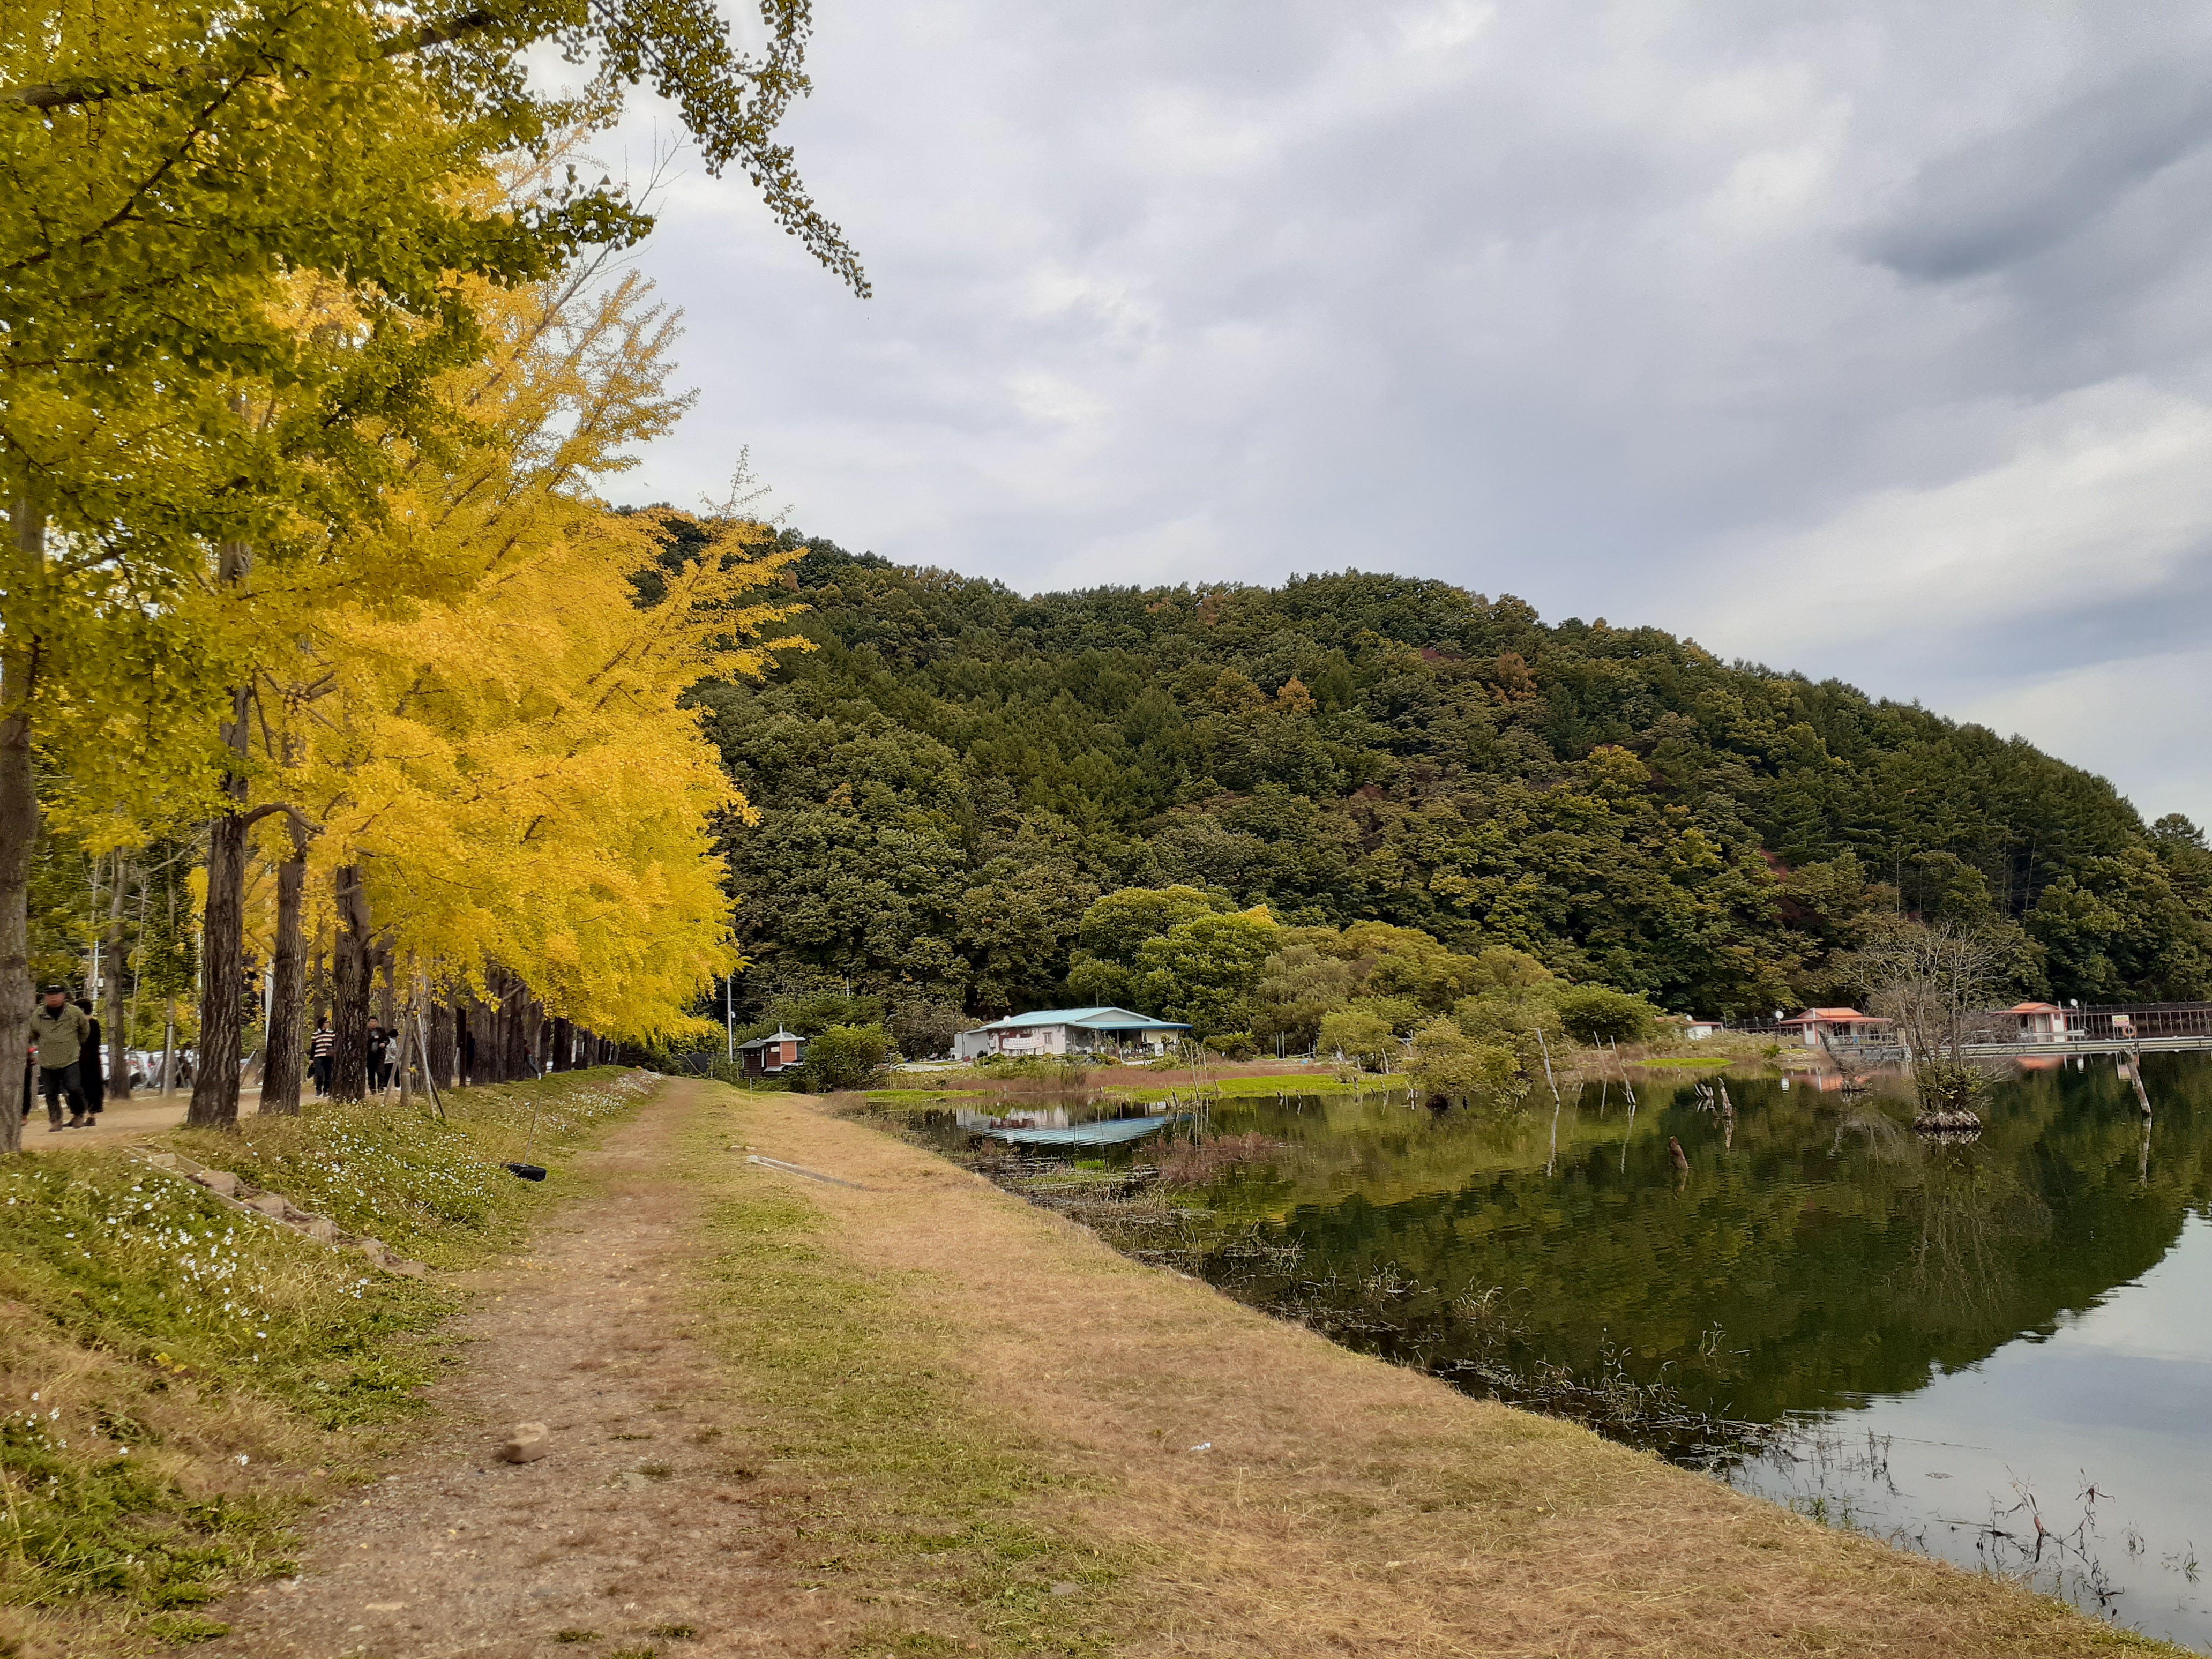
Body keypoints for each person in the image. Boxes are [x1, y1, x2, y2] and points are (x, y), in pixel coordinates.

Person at [30, 987, 91, 1131]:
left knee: (74, 1089)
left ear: (63, 996)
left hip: (70, 1059)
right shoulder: (38, 1014)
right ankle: (55, 1120)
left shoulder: (74, 1012)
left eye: (56, 995)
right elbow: (32, 1033)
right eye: (49, 995)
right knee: (51, 1093)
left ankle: (78, 1115)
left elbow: (85, 1030)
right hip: (47, 1060)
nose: (53, 998)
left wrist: (76, 1046)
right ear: (45, 997)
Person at [74, 997, 105, 1122]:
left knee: (89, 1087)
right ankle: (82, 1115)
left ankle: (90, 1115)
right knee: (82, 1088)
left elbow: (90, 1044)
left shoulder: (91, 1023)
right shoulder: (86, 1024)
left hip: (88, 1060)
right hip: (86, 1060)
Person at [310, 1018, 334, 1098]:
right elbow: (313, 1048)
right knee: (319, 1074)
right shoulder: (315, 1035)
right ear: (322, 1024)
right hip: (318, 1056)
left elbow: (334, 1045)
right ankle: (318, 1091)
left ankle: (326, 1091)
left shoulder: (331, 1034)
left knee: (328, 1074)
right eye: (327, 1022)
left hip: (328, 1056)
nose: (328, 1024)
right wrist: (311, 1059)